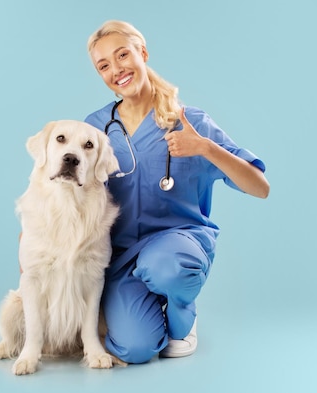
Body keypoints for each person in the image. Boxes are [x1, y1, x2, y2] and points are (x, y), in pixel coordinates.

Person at [82, 20, 270, 364]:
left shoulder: (190, 121)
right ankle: (148, 304)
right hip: (120, 257)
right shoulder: (95, 128)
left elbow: (260, 188)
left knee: (168, 267)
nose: (116, 69)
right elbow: (71, 190)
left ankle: (183, 314)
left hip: (178, 245)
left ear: (143, 52)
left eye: (123, 55)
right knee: (134, 349)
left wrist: (207, 148)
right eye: (104, 65)